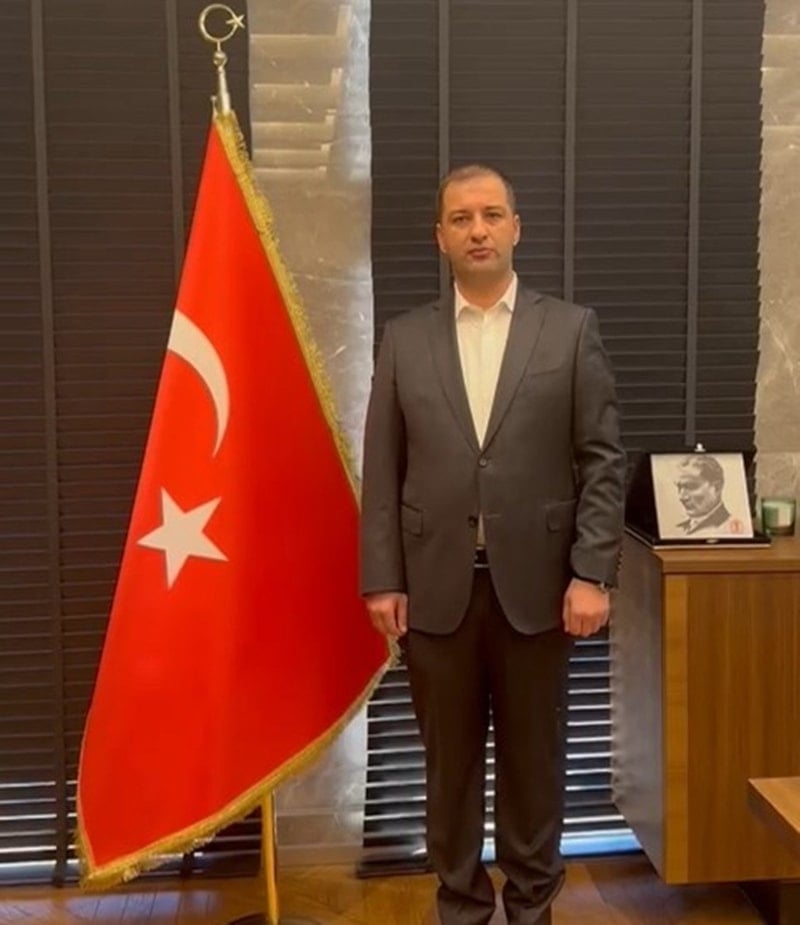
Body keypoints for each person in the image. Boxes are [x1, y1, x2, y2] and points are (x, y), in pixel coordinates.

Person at [360, 164, 626, 925]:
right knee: (447, 775)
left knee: (533, 770)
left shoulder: (570, 329)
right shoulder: (405, 339)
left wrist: (592, 572)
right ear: (439, 237)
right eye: (460, 218)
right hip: (435, 592)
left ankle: (532, 909)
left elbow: (602, 460)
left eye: (491, 214)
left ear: (516, 228)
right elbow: (383, 466)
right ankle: (461, 908)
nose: (477, 230)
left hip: (540, 594)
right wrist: (383, 577)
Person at [674, 454, 732, 535]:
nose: (681, 497)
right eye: (679, 487)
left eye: (691, 487)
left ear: (717, 487)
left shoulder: (727, 528)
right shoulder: (679, 529)